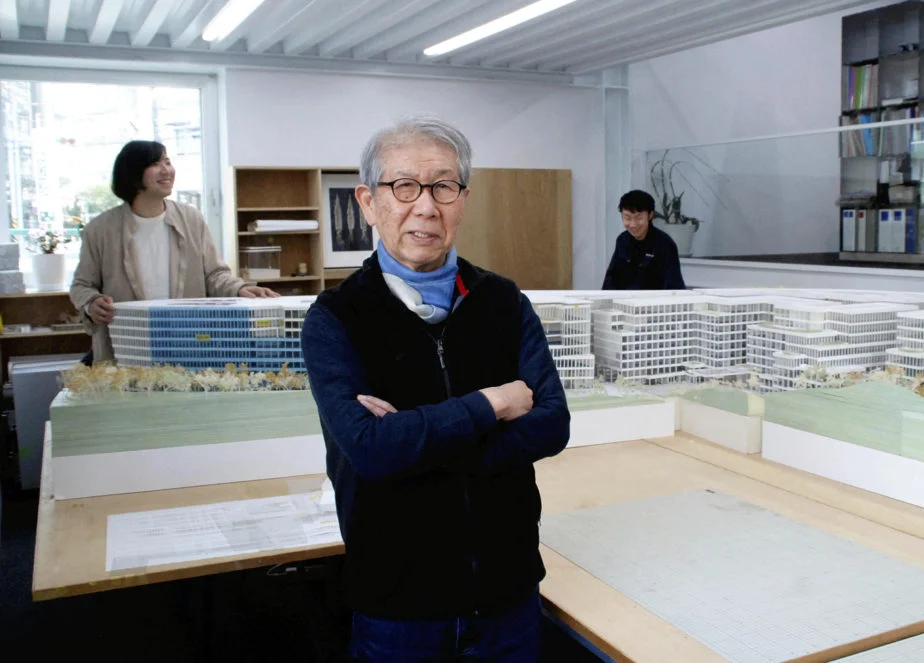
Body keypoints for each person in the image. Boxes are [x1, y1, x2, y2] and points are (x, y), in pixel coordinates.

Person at [301, 116, 570, 663]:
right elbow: (370, 452)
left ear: (463, 199)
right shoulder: (336, 317)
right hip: (398, 608)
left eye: (443, 186)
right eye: (403, 186)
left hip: (508, 595)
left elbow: (552, 424)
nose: (425, 206)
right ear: (368, 201)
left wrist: (414, 439)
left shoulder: (503, 301)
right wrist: (491, 404)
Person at [70, 140, 277, 364]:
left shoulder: (191, 219)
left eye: (168, 161)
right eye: (156, 164)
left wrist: (240, 288)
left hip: (187, 342)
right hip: (128, 347)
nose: (166, 169)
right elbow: (81, 285)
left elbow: (215, 274)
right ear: (133, 173)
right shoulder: (100, 229)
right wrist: (91, 303)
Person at [602, 189, 686, 290]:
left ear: (650, 215)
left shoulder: (665, 244)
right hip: (625, 302)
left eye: (639, 218)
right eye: (627, 218)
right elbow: (611, 281)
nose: (633, 224)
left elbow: (673, 286)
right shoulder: (622, 240)